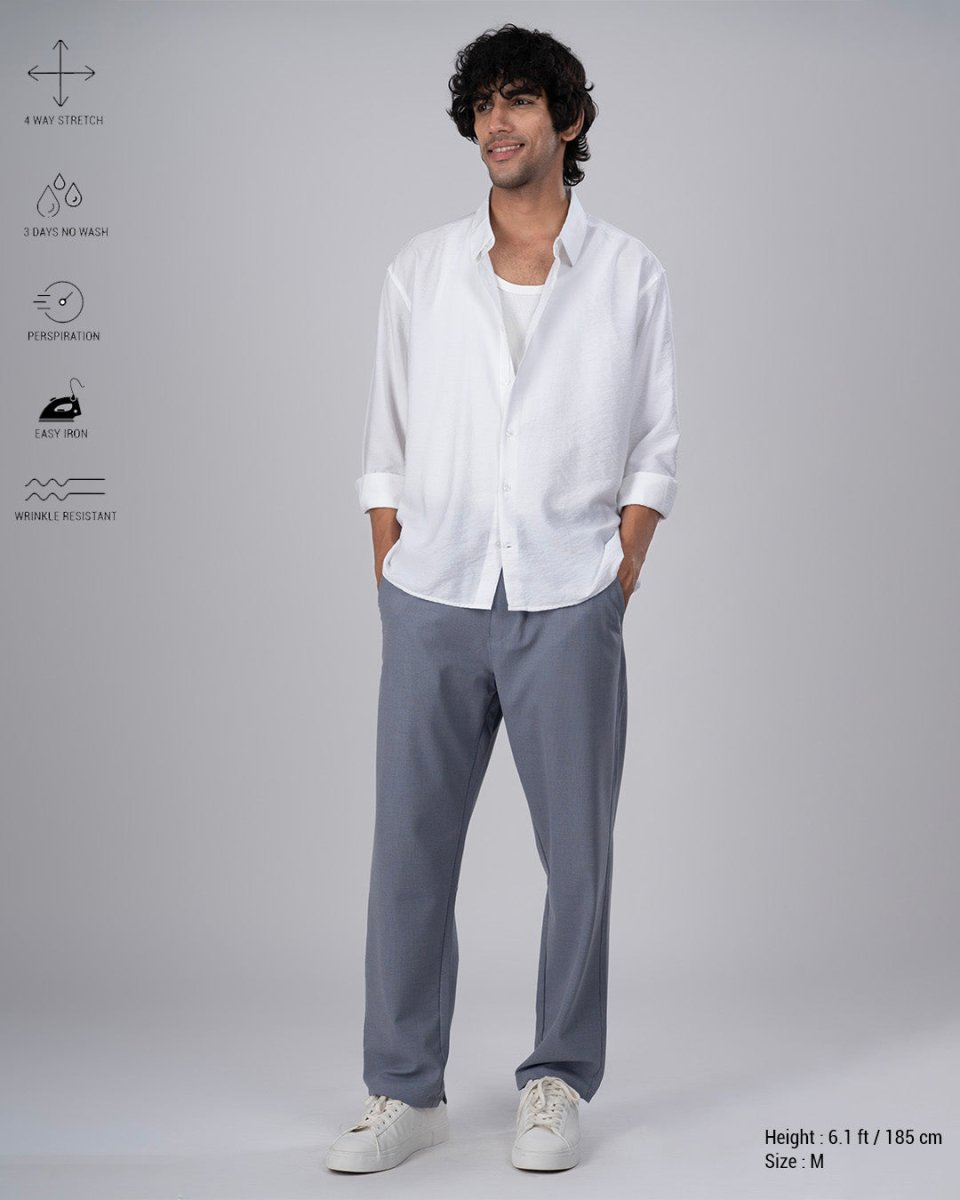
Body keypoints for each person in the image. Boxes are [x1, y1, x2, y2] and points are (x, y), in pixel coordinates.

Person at [326, 22, 680, 1175]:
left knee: (578, 857)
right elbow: (383, 437)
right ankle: (403, 1092)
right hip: (431, 592)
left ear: (567, 121)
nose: (497, 122)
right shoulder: (421, 270)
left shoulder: (628, 274)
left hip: (569, 594)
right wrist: (391, 565)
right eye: (483, 103)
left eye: (520, 100)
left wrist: (620, 569)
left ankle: (557, 1079)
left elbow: (655, 444)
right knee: (409, 850)